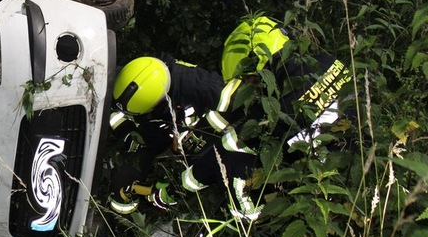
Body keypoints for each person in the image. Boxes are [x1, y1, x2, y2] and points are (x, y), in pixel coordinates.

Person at [108, 16, 353, 220]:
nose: (247, 83)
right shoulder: (327, 61)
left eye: (250, 79)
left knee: (242, 171)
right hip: (352, 156)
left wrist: (170, 192)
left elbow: (222, 156)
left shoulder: (272, 107)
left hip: (328, 184)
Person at [106, 54, 224, 214]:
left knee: (195, 171)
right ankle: (124, 219)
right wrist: (127, 132)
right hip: (147, 133)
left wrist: (203, 132)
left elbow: (231, 106)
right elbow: (111, 112)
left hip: (190, 135)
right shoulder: (126, 77)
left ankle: (167, 201)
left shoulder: (198, 85)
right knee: (122, 184)